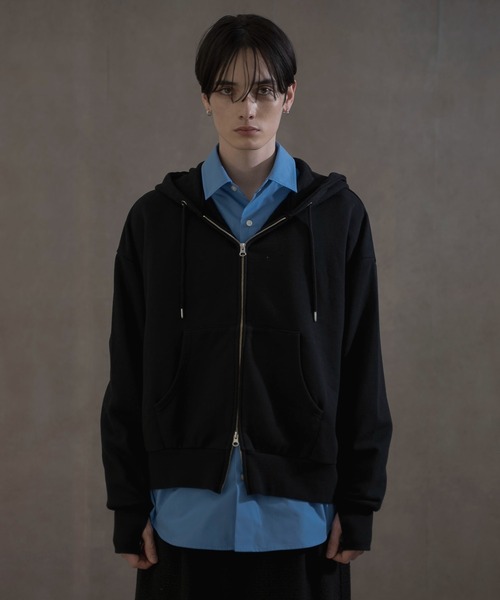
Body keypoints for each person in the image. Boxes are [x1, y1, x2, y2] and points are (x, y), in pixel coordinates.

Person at [100, 13, 392, 600]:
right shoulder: (155, 221)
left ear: (289, 95)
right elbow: (127, 369)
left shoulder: (338, 217)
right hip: (183, 518)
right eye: (228, 91)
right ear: (204, 98)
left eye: (263, 90)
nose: (247, 109)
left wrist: (359, 501)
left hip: (302, 520)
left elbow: (362, 364)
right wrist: (128, 503)